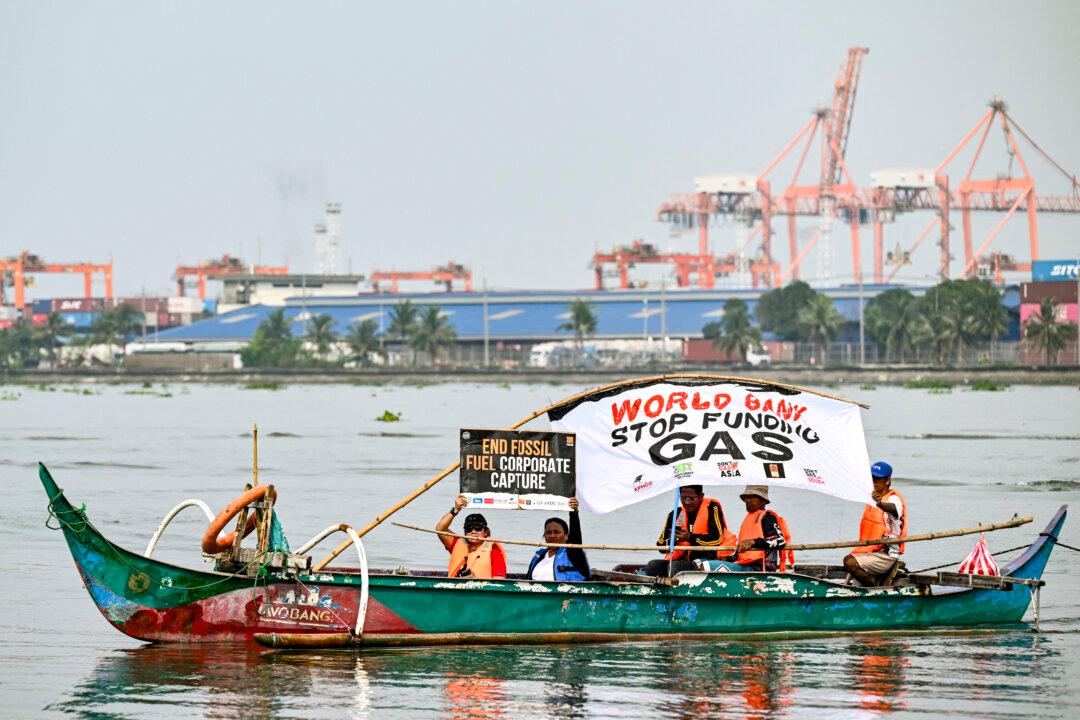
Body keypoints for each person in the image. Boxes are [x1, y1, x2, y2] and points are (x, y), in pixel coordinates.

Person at [644, 485, 736, 577]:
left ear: (701, 496)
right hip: (684, 560)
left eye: (692, 498)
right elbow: (661, 547)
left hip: (708, 558)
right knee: (652, 566)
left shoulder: (712, 508)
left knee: (675, 568)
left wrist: (690, 537)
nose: (687, 502)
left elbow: (716, 539)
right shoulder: (675, 514)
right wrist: (674, 540)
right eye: (683, 498)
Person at [843, 461, 907, 586]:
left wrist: (880, 504)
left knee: (849, 562)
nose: (873, 482)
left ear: (887, 481)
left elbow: (894, 509)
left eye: (877, 479)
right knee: (854, 579)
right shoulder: (871, 498)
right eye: (872, 478)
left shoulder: (893, 499)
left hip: (886, 555)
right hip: (870, 551)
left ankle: (873, 590)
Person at [705, 485, 792, 572]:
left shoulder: (767, 517)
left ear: (763, 501)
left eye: (752, 497)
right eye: (746, 498)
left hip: (759, 569)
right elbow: (743, 553)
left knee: (706, 565)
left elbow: (780, 540)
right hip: (744, 565)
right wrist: (728, 559)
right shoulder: (748, 518)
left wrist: (753, 542)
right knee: (699, 562)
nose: (747, 500)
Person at [436, 495, 507, 579]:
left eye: (478, 528)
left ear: (486, 532)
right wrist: (456, 510)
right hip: (455, 590)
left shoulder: (494, 551)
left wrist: (474, 580)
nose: (473, 531)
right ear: (465, 532)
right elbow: (440, 529)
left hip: (480, 591)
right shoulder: (457, 543)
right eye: (469, 529)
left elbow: (499, 582)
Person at [526, 497, 591, 581]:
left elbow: (575, 533)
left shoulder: (573, 552)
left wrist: (574, 512)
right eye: (548, 532)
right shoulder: (540, 555)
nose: (552, 536)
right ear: (544, 535)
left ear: (566, 536)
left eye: (557, 532)